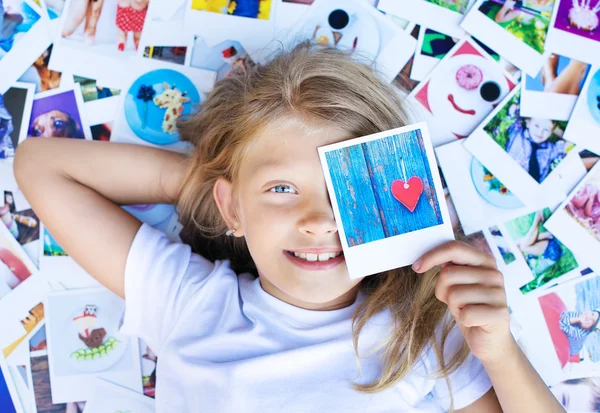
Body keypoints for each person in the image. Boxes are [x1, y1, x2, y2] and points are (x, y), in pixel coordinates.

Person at [13, 43, 567, 412]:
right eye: (282, 189)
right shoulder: (189, 302)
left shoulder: (421, 335)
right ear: (232, 209)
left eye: (343, 190)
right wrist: (214, 186)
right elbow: (40, 165)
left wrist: (499, 352)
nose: (318, 220)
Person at [504, 104, 568, 183]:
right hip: (506, 178)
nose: (540, 132)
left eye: (546, 130)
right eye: (536, 126)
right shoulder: (517, 132)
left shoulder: (550, 149)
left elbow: (570, 140)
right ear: (528, 123)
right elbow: (513, 108)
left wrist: (554, 129)